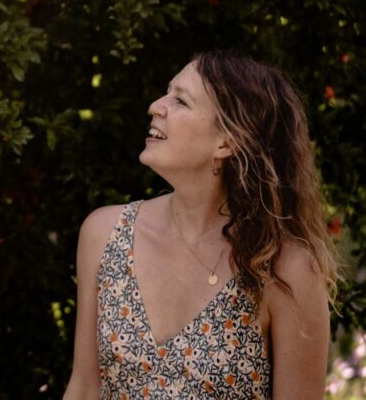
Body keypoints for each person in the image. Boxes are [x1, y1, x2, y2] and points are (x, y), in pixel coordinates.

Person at [63, 51, 338, 399]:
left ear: (226, 142)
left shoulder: (286, 268)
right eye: (167, 93)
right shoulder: (104, 234)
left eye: (180, 100)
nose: (155, 106)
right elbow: (85, 387)